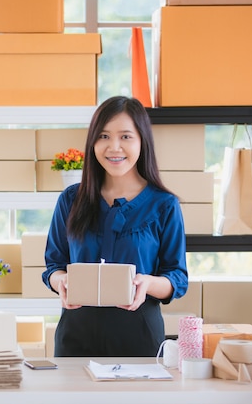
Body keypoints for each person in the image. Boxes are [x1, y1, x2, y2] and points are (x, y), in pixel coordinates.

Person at [42, 95, 189, 357]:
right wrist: (60, 280)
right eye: (104, 136)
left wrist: (147, 283)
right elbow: (53, 265)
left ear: (143, 141)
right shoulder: (70, 200)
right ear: (92, 143)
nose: (114, 147)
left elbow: (177, 277)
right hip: (75, 339)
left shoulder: (164, 205)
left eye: (125, 137)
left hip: (140, 340)